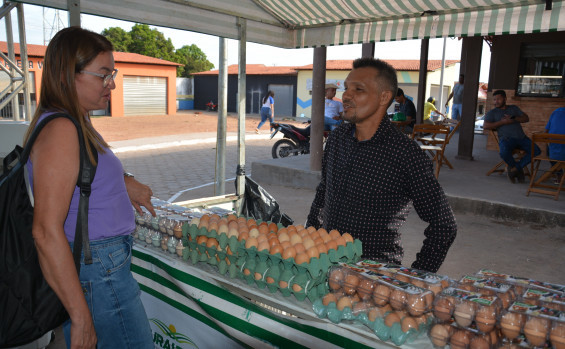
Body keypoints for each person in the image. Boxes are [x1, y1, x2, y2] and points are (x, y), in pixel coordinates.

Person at [24, 27, 154, 348]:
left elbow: (84, 174)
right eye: (103, 75)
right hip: (99, 270)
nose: (111, 84)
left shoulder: (74, 120)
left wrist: (124, 183)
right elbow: (45, 231)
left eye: (113, 74)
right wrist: (80, 315)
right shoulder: (61, 130)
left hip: (100, 264)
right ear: (70, 75)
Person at [306, 57, 457, 273]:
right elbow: (323, 193)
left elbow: (444, 224)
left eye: (358, 89)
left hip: (373, 276)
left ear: (384, 97)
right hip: (326, 265)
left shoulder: (405, 154)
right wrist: (309, 239)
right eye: (346, 88)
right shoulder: (337, 138)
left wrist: (417, 275)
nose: (346, 95)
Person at [483, 89, 541, 183]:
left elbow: (526, 118)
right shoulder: (492, 113)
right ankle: (518, 169)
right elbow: (486, 126)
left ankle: (515, 169)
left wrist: (514, 119)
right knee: (503, 152)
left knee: (537, 151)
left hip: (521, 138)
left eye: (498, 99)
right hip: (507, 139)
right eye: (494, 100)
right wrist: (502, 122)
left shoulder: (513, 108)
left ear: (505, 99)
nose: (496, 102)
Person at [545, 107, 565, 183]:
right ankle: (558, 172)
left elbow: (546, 132)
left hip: (553, 155)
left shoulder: (556, 112)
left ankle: (558, 174)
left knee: (549, 147)